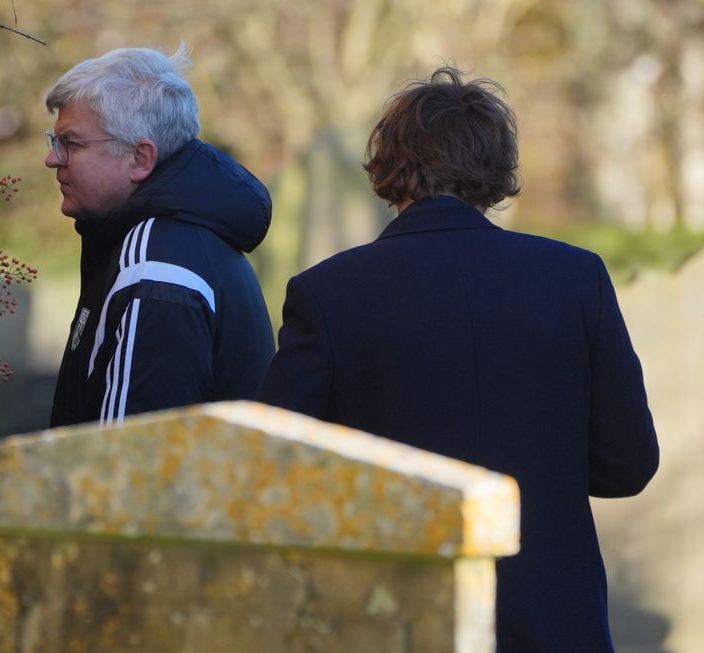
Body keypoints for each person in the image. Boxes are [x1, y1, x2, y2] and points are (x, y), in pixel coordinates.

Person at [257, 67, 659, 652]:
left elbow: (276, 472)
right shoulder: (575, 279)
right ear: (494, 169)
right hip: (553, 621)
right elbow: (628, 464)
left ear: (389, 166)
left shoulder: (329, 293)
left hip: (388, 618)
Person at [44, 46, 275, 427]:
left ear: (140, 158)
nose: (53, 159)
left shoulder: (155, 265)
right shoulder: (181, 239)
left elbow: (132, 459)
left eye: (71, 143)